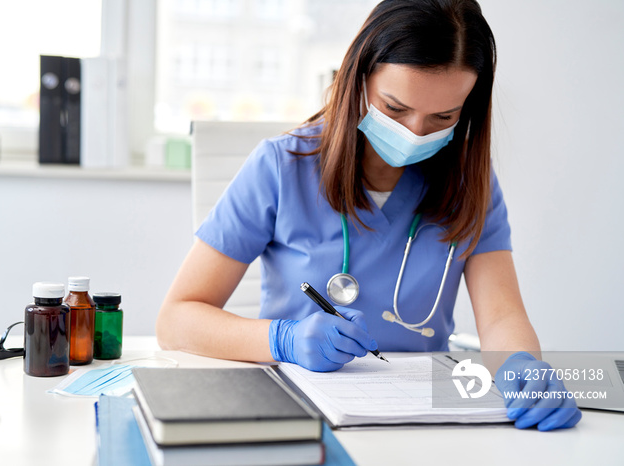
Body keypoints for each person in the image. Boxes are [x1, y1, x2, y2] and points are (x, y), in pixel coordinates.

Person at [157, 0, 581, 431]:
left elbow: (502, 318)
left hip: (423, 418)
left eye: (443, 117)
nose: (415, 132)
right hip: (301, 412)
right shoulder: (281, 166)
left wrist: (522, 369)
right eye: (395, 108)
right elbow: (177, 318)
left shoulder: (471, 184)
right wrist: (281, 339)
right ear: (358, 79)